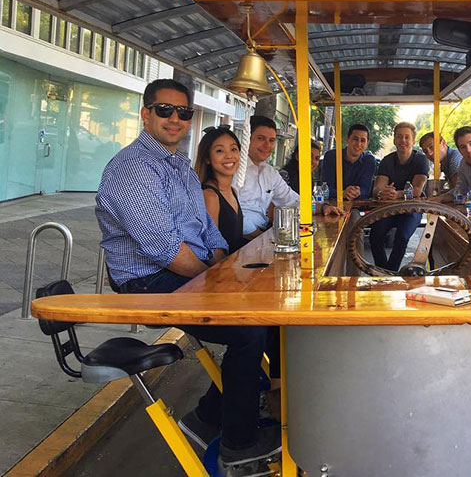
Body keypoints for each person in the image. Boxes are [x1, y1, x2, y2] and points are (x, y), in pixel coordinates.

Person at [95, 79, 281, 468]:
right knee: (248, 330)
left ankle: (209, 416)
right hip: (148, 283)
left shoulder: (179, 164)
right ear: (146, 114)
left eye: (183, 112)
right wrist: (213, 278)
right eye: (165, 110)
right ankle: (238, 443)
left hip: (185, 272)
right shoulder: (132, 169)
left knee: (268, 314)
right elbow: (166, 252)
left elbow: (205, 228)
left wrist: (220, 262)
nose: (175, 118)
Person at [240, 116, 339, 238]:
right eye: (261, 138)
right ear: (247, 138)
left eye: (271, 140)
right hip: (241, 239)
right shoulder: (234, 168)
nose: (267, 145)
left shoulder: (270, 173)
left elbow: (292, 201)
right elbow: (234, 214)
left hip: (262, 234)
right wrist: (262, 239)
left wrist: (324, 207)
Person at [370, 122, 430, 271]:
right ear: (394, 140)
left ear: (412, 141)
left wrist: (396, 193)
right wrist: (382, 192)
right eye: (399, 137)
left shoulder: (421, 160)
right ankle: (382, 270)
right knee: (374, 236)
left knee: (402, 238)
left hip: (412, 210)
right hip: (390, 209)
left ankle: (390, 271)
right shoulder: (387, 160)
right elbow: (377, 187)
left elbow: (417, 190)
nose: (403, 140)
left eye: (407, 137)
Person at [194, 126, 248, 253]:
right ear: (207, 158)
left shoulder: (233, 191)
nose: (229, 156)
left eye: (234, 149)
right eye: (219, 151)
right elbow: (213, 249)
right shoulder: (210, 196)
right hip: (221, 269)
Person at [319, 123, 377, 201]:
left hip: (357, 206)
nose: (358, 144)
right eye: (355, 139)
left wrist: (357, 192)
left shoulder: (369, 160)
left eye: (362, 140)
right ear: (347, 139)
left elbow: (366, 190)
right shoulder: (331, 156)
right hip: (331, 205)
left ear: (367, 144)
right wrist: (342, 193)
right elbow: (325, 189)